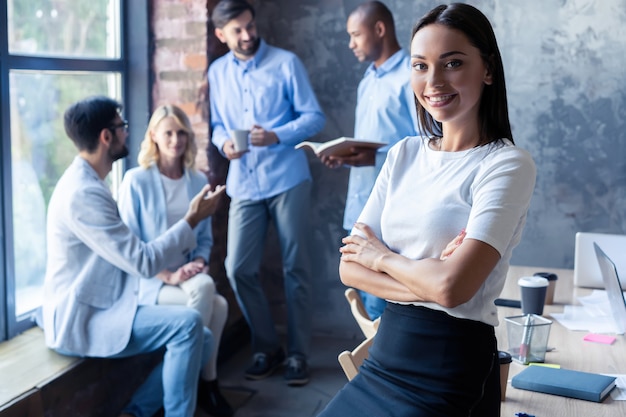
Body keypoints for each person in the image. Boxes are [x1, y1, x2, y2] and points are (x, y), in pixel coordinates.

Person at [319, 4, 536, 417]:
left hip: (449, 365)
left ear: (487, 69)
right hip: (384, 358)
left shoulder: (507, 164)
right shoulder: (403, 153)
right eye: (420, 66)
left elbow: (454, 289)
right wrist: (430, 280)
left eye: (452, 63)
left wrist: (381, 258)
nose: (433, 81)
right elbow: (349, 268)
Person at [41, 96, 226, 417]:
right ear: (106, 137)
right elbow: (141, 261)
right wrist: (191, 219)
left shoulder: (90, 183)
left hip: (109, 301)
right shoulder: (84, 193)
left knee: (203, 337)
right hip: (85, 316)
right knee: (189, 324)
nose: (128, 133)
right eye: (122, 126)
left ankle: (135, 412)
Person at [208, 0, 326, 386]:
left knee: (297, 269)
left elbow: (314, 117)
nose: (247, 35)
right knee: (237, 268)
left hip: (287, 179)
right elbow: (217, 125)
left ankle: (298, 354)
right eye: (237, 31)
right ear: (220, 35)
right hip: (244, 182)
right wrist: (225, 143)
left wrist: (277, 135)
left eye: (249, 26)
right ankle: (267, 346)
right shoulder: (216, 72)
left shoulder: (285, 63)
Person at [117, 104, 233, 417]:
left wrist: (199, 262)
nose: (175, 139)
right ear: (153, 136)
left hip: (187, 276)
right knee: (208, 296)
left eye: (181, 132)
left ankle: (199, 383)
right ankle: (198, 388)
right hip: (150, 282)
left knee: (218, 306)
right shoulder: (135, 181)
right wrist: (168, 275)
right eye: (168, 132)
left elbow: (205, 238)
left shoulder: (197, 181)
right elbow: (131, 248)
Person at [320, 1, 419, 320]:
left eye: (355, 35)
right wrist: (348, 157)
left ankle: (376, 369)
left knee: (381, 306)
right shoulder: (367, 80)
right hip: (359, 209)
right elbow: (374, 143)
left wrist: (372, 157)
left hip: (391, 214)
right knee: (363, 304)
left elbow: (425, 146)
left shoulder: (412, 76)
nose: (350, 44)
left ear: (379, 30)